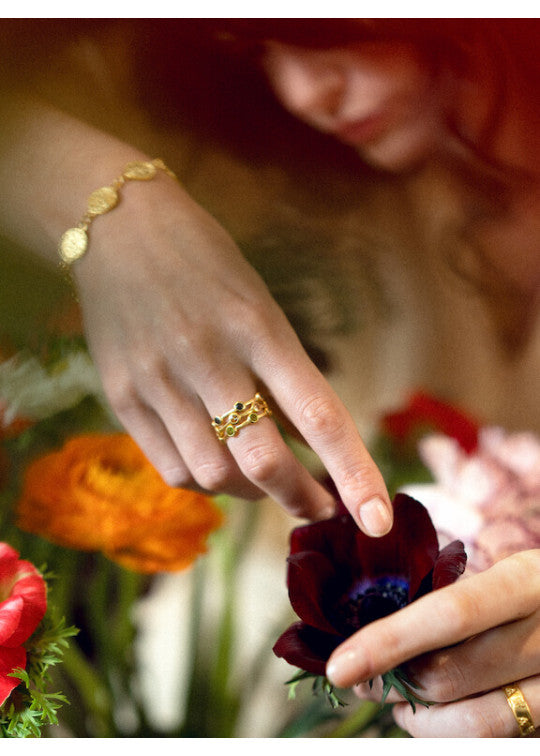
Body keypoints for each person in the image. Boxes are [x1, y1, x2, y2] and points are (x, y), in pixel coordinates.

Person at [0, 19, 538, 737]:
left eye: (333, 25)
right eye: (257, 45)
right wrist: (110, 210)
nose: (300, 91)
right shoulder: (221, 132)